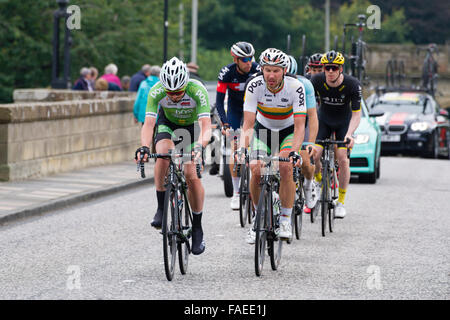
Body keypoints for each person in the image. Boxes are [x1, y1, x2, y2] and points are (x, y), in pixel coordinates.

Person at [135, 57, 211, 255]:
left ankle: (197, 226)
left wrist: (200, 147)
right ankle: (161, 207)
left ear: (186, 83)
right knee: (162, 155)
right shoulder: (157, 91)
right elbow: (149, 124)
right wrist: (144, 147)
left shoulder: (197, 90)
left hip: (192, 129)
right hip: (167, 124)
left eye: (178, 92)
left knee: (190, 173)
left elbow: (206, 127)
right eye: (170, 92)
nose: (174, 96)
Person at [238, 48, 307, 243]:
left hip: (288, 130)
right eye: (267, 70)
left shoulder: (296, 87)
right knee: (256, 168)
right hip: (263, 129)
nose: (271, 75)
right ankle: (257, 219)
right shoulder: (254, 85)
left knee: (286, 166)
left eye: (276, 70)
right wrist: (243, 149)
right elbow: (248, 123)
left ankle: (285, 218)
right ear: (262, 69)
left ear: (284, 70)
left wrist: (294, 151)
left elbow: (301, 125)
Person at [310, 50, 362, 219]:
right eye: (327, 68)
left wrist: (350, 134)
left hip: (343, 123)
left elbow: (356, 114)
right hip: (323, 120)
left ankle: (341, 201)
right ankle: (318, 181)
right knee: (314, 154)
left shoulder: (352, 84)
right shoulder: (316, 80)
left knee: (343, 158)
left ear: (341, 68)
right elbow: (309, 109)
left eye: (334, 68)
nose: (330, 71)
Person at [215, 41, 260, 210]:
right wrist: (225, 123)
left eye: (251, 58)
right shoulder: (227, 73)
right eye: (244, 59)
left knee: (257, 144)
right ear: (235, 59)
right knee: (234, 149)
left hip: (254, 109)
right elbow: (219, 101)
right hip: (235, 110)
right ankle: (236, 192)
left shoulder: (258, 70)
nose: (249, 62)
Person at [286, 55, 319, 210]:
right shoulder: (267, 83)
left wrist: (311, 142)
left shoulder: (305, 85)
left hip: (301, 123)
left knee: (306, 161)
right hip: (280, 125)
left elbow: (312, 116)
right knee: (269, 165)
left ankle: (307, 184)